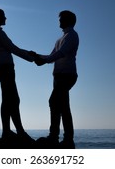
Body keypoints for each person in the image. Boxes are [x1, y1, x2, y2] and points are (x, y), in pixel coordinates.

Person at [0, 9, 34, 142]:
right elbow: (13, 48)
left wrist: (29, 55)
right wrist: (31, 57)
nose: (6, 18)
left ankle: (8, 131)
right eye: (3, 16)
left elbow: (11, 48)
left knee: (8, 100)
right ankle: (18, 132)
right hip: (5, 69)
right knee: (13, 100)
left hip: (2, 68)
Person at [33, 10, 79, 149]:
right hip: (59, 76)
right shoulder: (61, 38)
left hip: (67, 75)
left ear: (68, 20)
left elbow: (60, 54)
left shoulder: (72, 35)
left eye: (61, 19)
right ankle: (62, 138)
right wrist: (38, 56)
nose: (59, 21)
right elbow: (52, 56)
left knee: (55, 103)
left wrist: (43, 60)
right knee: (62, 106)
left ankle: (57, 137)